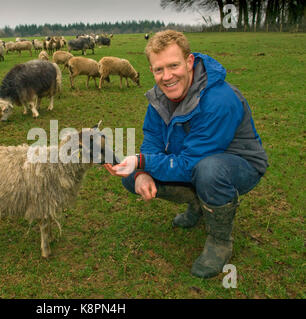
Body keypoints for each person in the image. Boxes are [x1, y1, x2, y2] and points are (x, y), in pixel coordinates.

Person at [104, 30, 268, 278]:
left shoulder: (219, 99)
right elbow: (152, 140)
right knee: (132, 175)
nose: (167, 76)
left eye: (174, 66)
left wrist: (142, 162)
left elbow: (193, 163)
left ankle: (220, 242)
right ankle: (198, 204)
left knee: (208, 170)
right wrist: (141, 171)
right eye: (159, 69)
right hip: (191, 161)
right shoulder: (159, 98)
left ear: (189, 62)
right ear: (151, 70)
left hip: (237, 165)